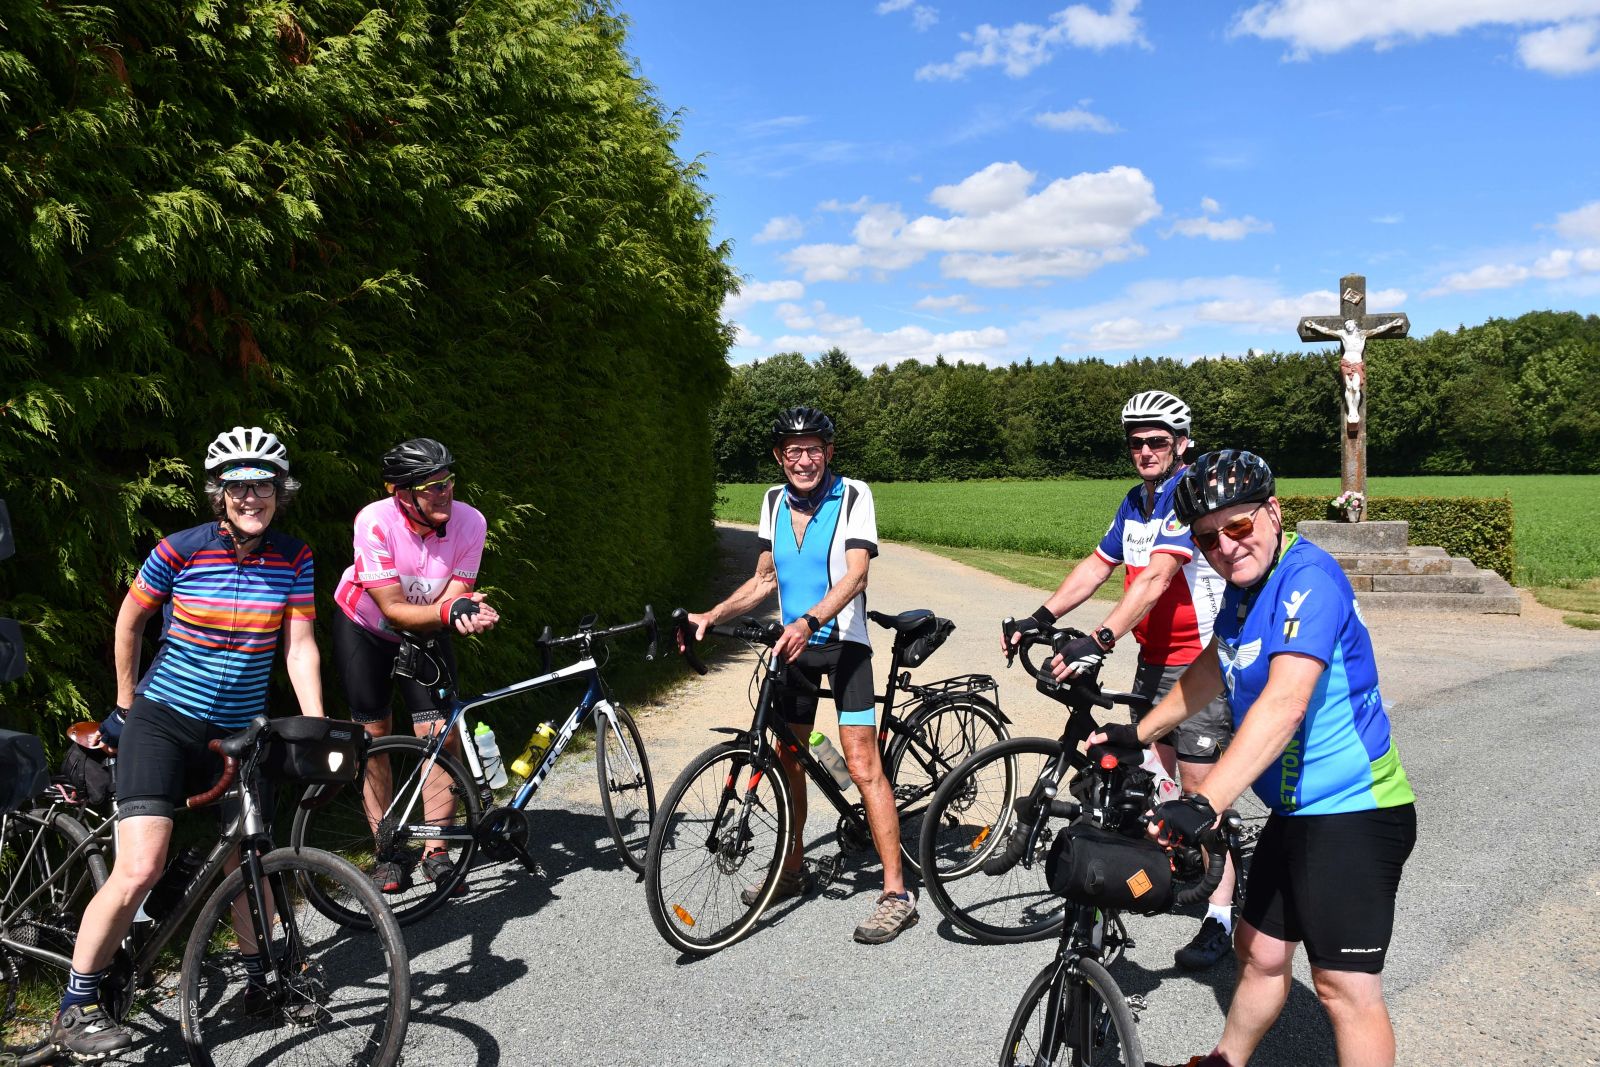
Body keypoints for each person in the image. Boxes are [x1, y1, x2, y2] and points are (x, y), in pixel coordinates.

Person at [1109, 450, 1417, 1067]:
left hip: (1356, 809)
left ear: (1273, 512)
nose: (1225, 546)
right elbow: (1213, 668)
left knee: (1343, 989)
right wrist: (1138, 732)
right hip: (1297, 812)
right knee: (1261, 950)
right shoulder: (1245, 593)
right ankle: (1227, 1061)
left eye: (1240, 526)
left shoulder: (1309, 578)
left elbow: (1284, 703)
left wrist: (1202, 801)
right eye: (1208, 538)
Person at [53, 427, 323, 1059]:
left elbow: (301, 644)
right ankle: (76, 1004)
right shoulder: (178, 549)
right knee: (141, 866)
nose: (250, 497)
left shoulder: (296, 557)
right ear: (219, 494)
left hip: (239, 730)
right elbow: (130, 619)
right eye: (237, 487)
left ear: (279, 493)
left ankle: (260, 979)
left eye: (262, 486)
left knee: (249, 859)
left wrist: (313, 722)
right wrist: (124, 706)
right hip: (163, 719)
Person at [1006, 389, 1236, 970]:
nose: (1145, 451)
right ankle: (1157, 875)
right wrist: (1042, 616)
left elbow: (1157, 578)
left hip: (1199, 661)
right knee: (1150, 777)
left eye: (1157, 441)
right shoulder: (1135, 502)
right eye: (1135, 442)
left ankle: (1221, 918)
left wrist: (1099, 638)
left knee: (1203, 795)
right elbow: (1098, 565)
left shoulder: (1189, 499)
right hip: (1153, 660)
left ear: (1183, 444)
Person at [681, 406, 916, 944]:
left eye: (813, 449)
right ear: (779, 457)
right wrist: (711, 615)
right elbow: (764, 580)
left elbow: (856, 576)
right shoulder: (771, 502)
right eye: (793, 451)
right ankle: (791, 871)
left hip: (844, 646)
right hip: (794, 649)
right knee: (787, 757)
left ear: (829, 453)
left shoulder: (853, 495)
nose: (803, 460)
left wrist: (812, 620)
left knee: (861, 764)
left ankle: (896, 892)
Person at [331, 438, 499, 897]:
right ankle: (386, 852)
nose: (444, 492)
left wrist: (456, 611)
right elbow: (391, 609)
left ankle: (436, 849)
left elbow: (453, 597)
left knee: (439, 732)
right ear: (402, 494)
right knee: (374, 738)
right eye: (431, 487)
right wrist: (450, 612)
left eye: (448, 482)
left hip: (427, 628)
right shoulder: (374, 520)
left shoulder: (471, 522)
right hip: (365, 628)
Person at [1302, 317, 1404, 425]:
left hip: (1357, 364)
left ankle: (1355, 409)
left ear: (1355, 324)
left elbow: (1378, 329)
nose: (1348, 326)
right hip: (1346, 363)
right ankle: (1351, 410)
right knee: (1349, 387)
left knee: (1356, 388)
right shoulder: (1343, 334)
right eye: (1346, 324)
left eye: (1350, 323)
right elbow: (1327, 331)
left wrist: (1392, 324)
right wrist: (1314, 326)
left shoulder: (1362, 334)